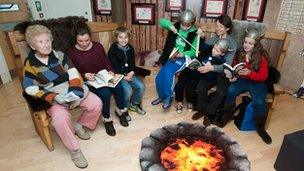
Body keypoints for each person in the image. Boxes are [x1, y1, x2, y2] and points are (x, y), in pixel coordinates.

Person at [23, 24, 102, 168]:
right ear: (32, 46)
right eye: (41, 42)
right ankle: (75, 150)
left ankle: (79, 125)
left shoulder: (60, 55)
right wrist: (53, 97)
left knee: (96, 103)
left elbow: (74, 74)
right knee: (60, 118)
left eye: (47, 40)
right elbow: (29, 88)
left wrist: (76, 94)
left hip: (71, 88)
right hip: (53, 96)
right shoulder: (30, 65)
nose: (46, 45)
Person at [67, 22, 130, 137]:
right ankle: (107, 119)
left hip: (103, 76)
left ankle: (120, 111)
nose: (84, 44)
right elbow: (72, 71)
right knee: (105, 93)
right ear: (75, 39)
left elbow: (106, 62)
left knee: (119, 86)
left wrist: (111, 71)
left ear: (90, 37)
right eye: (80, 41)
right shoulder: (72, 52)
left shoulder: (98, 46)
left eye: (87, 40)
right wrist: (84, 74)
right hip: (88, 81)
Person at [218, 28, 272, 144]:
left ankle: (260, 127)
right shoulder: (240, 51)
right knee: (231, 90)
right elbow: (234, 66)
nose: (247, 45)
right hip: (243, 80)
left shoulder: (262, 56)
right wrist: (233, 75)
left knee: (259, 102)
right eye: (245, 42)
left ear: (256, 44)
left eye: (250, 43)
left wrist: (250, 73)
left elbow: (263, 76)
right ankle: (227, 115)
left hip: (257, 82)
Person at [191, 14, 237, 120]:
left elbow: (227, 65)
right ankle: (202, 109)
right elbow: (203, 50)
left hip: (223, 74)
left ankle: (209, 113)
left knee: (220, 92)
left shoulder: (232, 44)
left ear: (227, 29)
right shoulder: (213, 39)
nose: (217, 29)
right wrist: (202, 37)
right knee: (201, 87)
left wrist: (211, 67)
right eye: (216, 25)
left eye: (221, 27)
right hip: (210, 73)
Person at [151, 9, 199, 109]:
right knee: (159, 77)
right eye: (183, 24)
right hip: (171, 56)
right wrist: (170, 25)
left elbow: (194, 51)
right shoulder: (176, 26)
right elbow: (161, 21)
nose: (185, 26)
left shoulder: (194, 33)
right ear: (180, 21)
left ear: (192, 23)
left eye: (188, 25)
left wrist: (183, 54)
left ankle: (169, 96)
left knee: (168, 72)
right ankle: (162, 96)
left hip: (183, 59)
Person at [108, 26, 146, 115]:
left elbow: (132, 63)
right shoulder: (113, 49)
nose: (123, 40)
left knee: (141, 86)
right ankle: (124, 108)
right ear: (116, 38)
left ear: (129, 38)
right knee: (128, 91)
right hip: (118, 76)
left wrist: (131, 72)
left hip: (129, 73)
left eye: (126, 37)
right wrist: (124, 77)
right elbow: (113, 67)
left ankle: (133, 104)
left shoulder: (131, 48)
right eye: (120, 37)